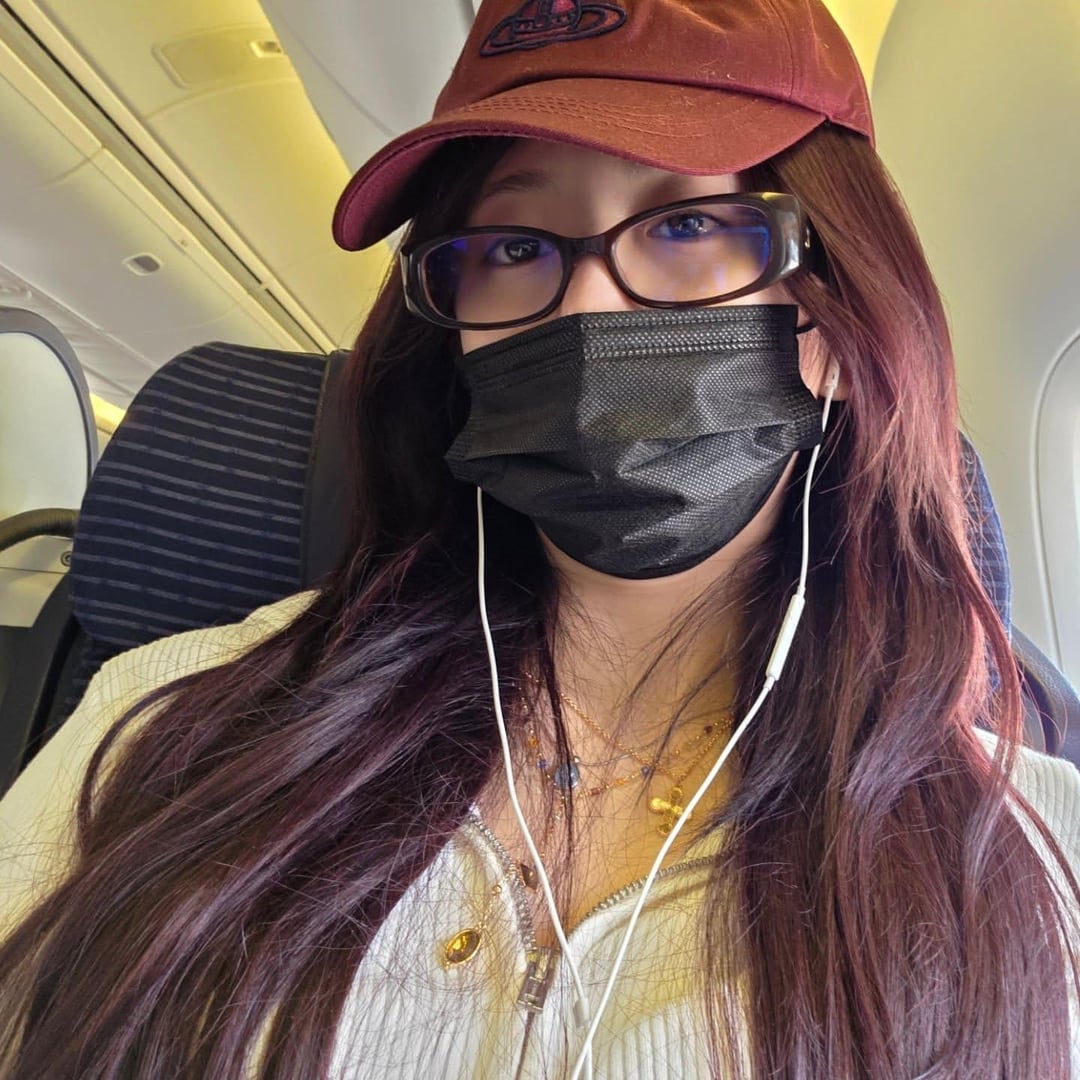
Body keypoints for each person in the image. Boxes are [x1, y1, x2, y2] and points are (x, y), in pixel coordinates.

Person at [2, 0, 1078, 1076]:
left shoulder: (1039, 859)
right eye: (515, 246)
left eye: (687, 226)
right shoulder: (162, 731)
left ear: (842, 319)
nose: (586, 312)